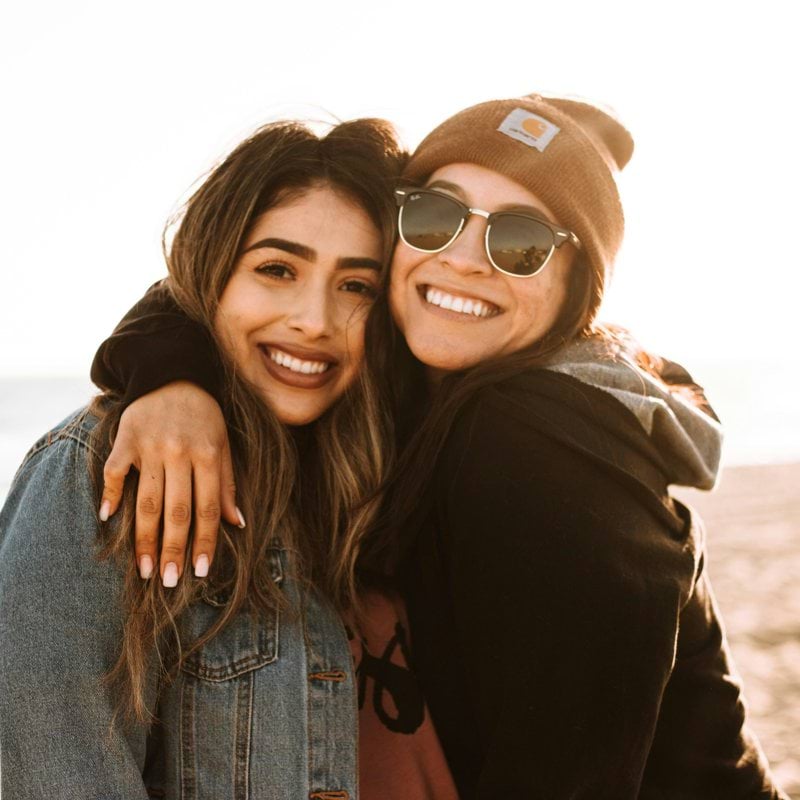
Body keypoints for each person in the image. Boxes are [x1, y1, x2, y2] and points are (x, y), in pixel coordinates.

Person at [86, 95, 788, 798]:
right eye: (433, 217)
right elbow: (218, 278)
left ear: (579, 286)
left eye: (521, 242)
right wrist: (174, 379)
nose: (463, 260)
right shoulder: (414, 378)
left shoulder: (540, 441)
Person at [0, 118, 460, 799]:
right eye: (277, 269)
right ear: (211, 275)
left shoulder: (379, 472)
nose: (314, 319)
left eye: (355, 286)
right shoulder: (103, 470)